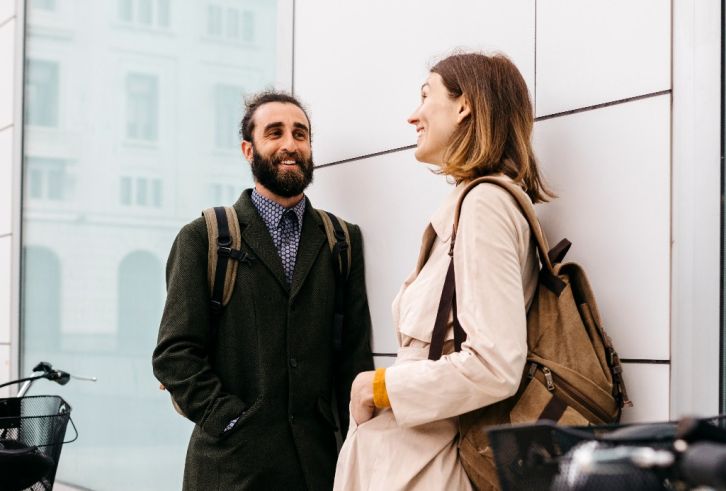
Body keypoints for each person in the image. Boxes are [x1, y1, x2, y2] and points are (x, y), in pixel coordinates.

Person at [333, 52, 553, 490]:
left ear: (464, 105)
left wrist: (374, 387)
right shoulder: (474, 205)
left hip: (430, 465)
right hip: (418, 459)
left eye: (425, 95)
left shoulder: (485, 205)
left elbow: (495, 363)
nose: (413, 115)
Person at [153, 89, 374, 490]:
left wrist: (358, 445)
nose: (290, 144)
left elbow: (353, 357)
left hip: (318, 469)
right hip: (229, 469)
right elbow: (174, 354)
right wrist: (230, 419)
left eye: (300, 134)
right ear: (248, 149)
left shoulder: (341, 240)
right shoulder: (203, 238)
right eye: (274, 133)